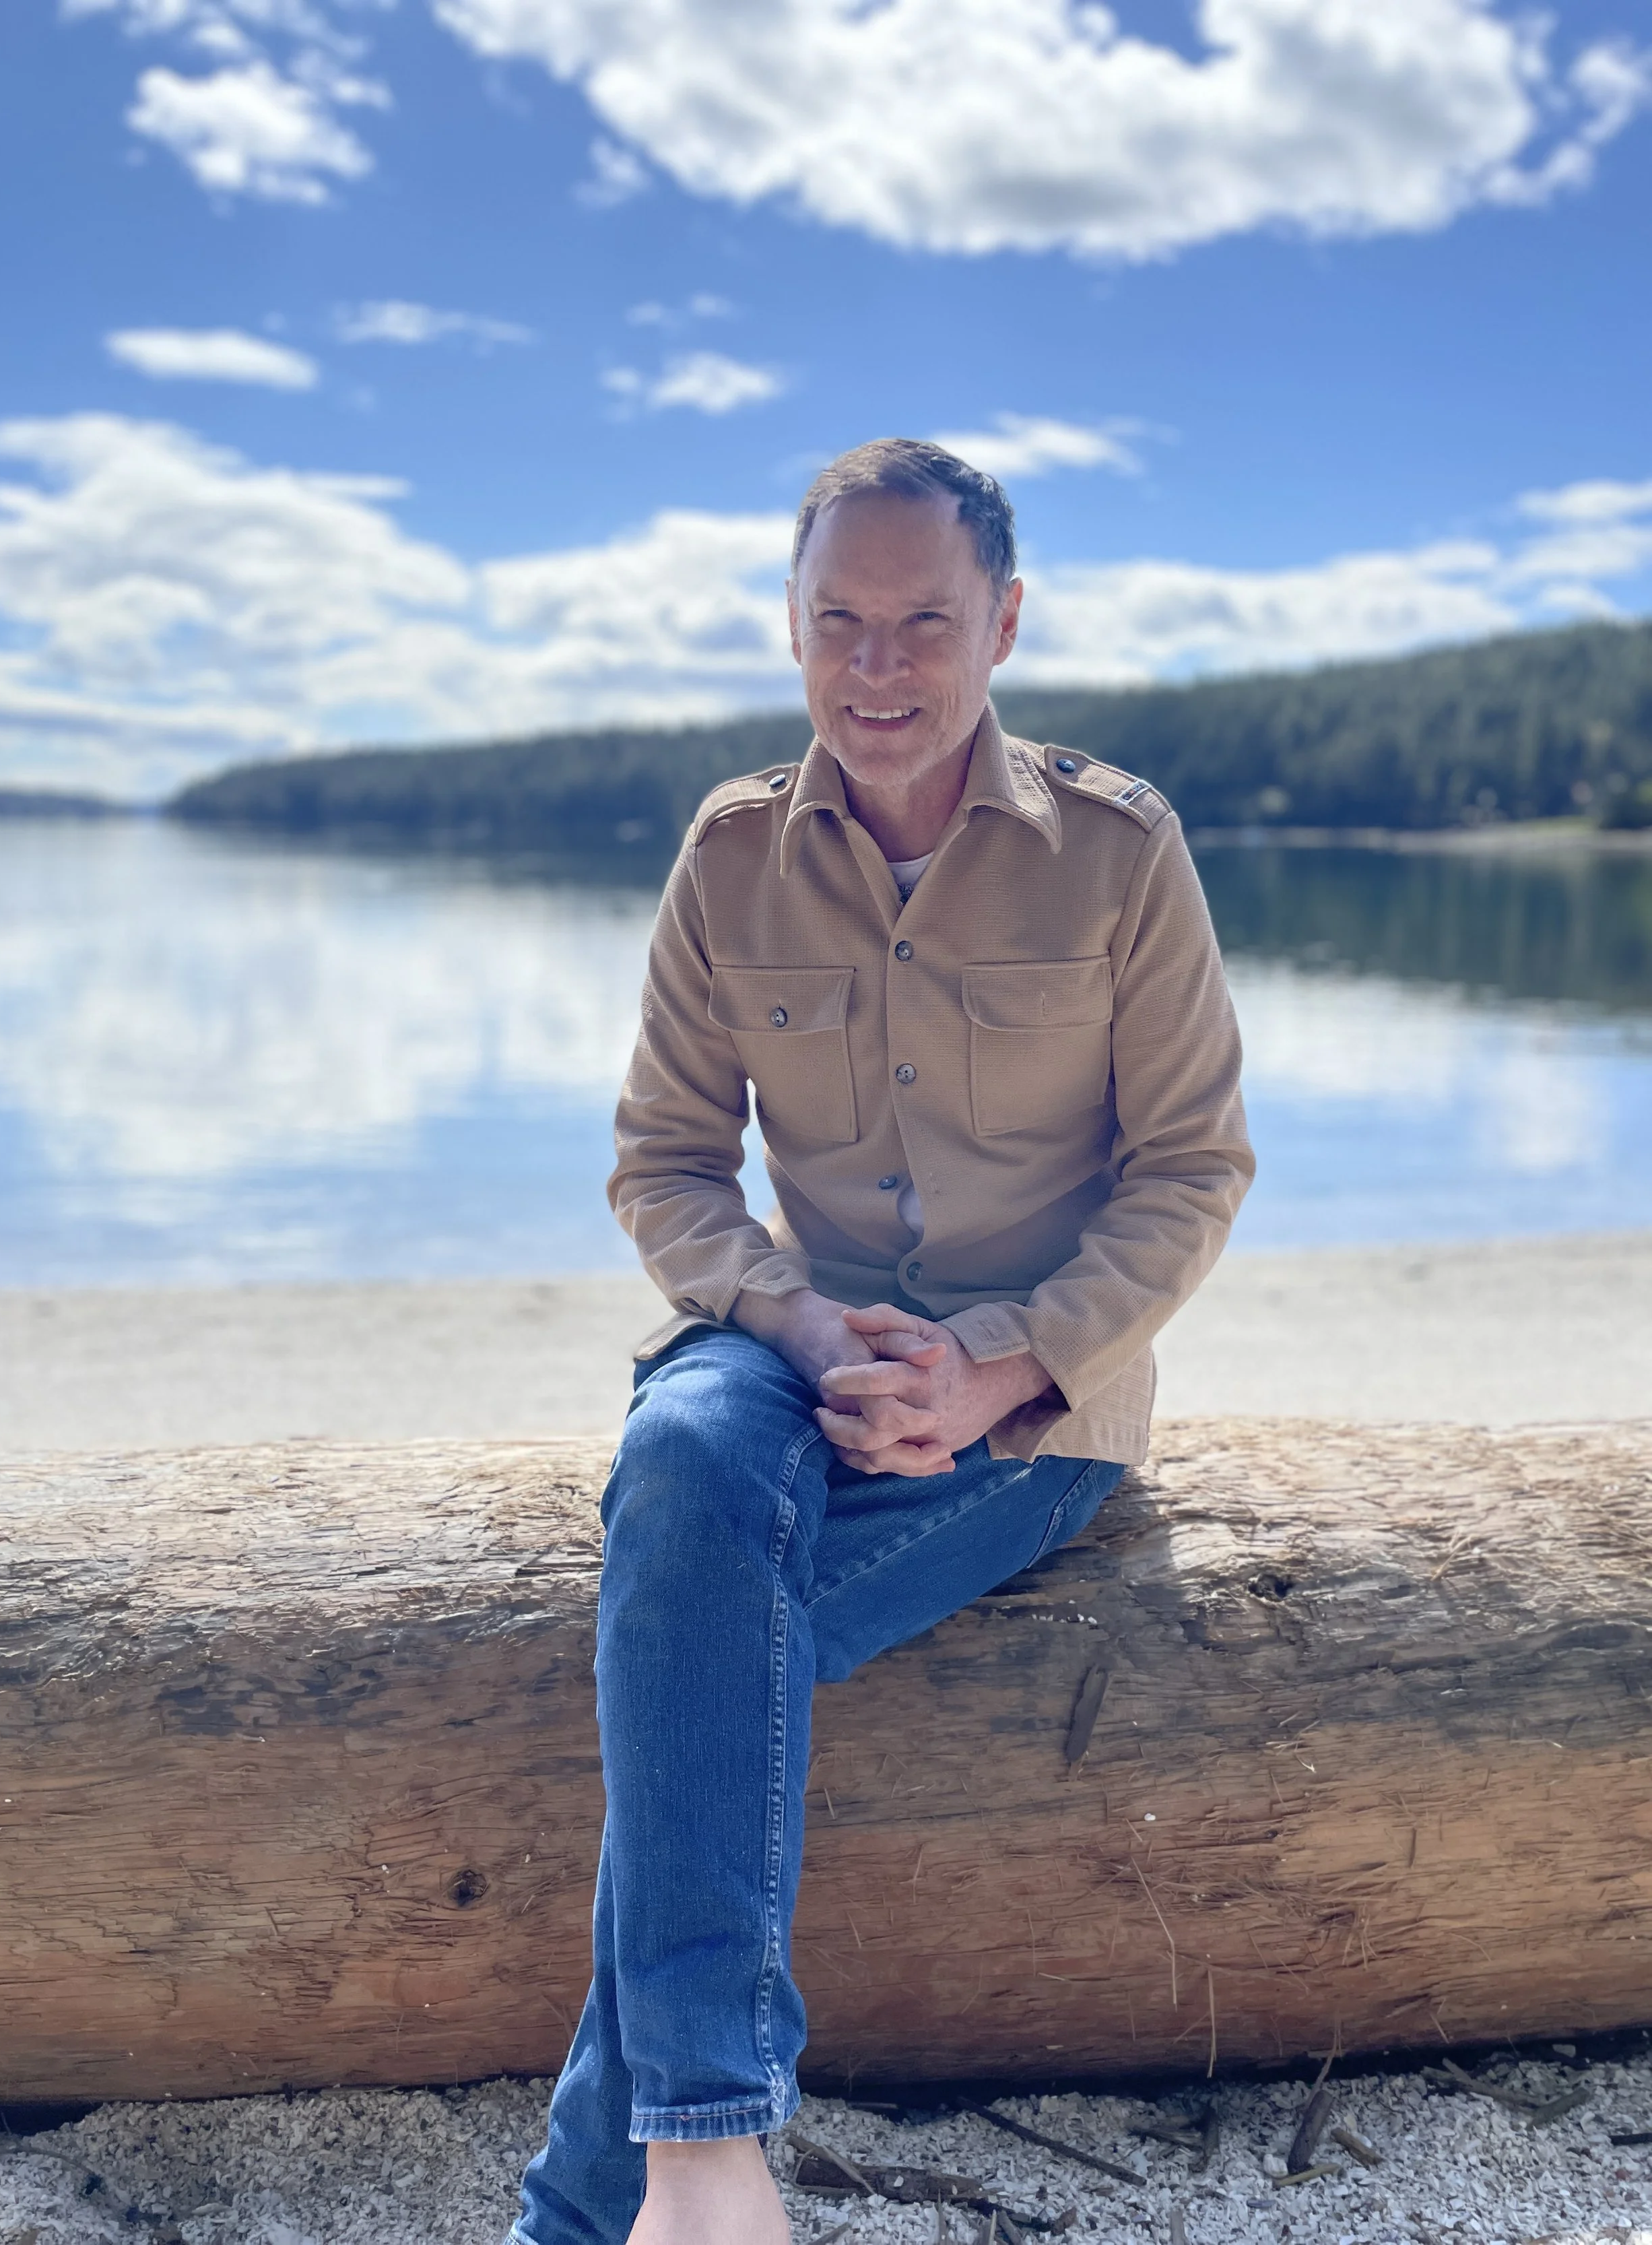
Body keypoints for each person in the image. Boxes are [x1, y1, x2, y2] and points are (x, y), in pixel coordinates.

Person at [511, 438, 1253, 2245]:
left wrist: (995, 1364)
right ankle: (708, 2168)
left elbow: (1191, 1170)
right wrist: (785, 1311)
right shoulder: (728, 856)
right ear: (790, 626)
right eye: (837, 619)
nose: (877, 665)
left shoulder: (1118, 851)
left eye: (924, 620)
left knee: (701, 1655)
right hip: (793, 1346)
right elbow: (666, 1164)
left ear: (1003, 622)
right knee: (683, 1456)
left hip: (1036, 1405)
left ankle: (613, 2198)